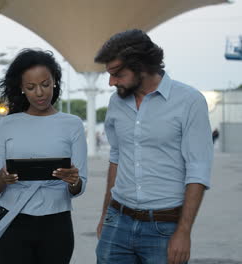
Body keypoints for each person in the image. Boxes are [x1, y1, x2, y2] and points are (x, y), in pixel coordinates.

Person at [94, 29, 213, 264]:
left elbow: (198, 168)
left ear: (142, 67)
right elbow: (116, 158)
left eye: (118, 74)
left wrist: (184, 232)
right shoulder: (116, 102)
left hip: (165, 227)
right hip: (117, 221)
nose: (111, 82)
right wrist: (104, 216)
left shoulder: (189, 101)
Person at [0, 49, 88, 264]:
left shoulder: (73, 124)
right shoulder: (7, 124)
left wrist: (73, 181)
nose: (40, 93)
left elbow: (79, 187)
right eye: (31, 87)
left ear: (55, 83)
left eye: (45, 84)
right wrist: (1, 179)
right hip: (12, 219)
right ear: (22, 89)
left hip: (56, 221)